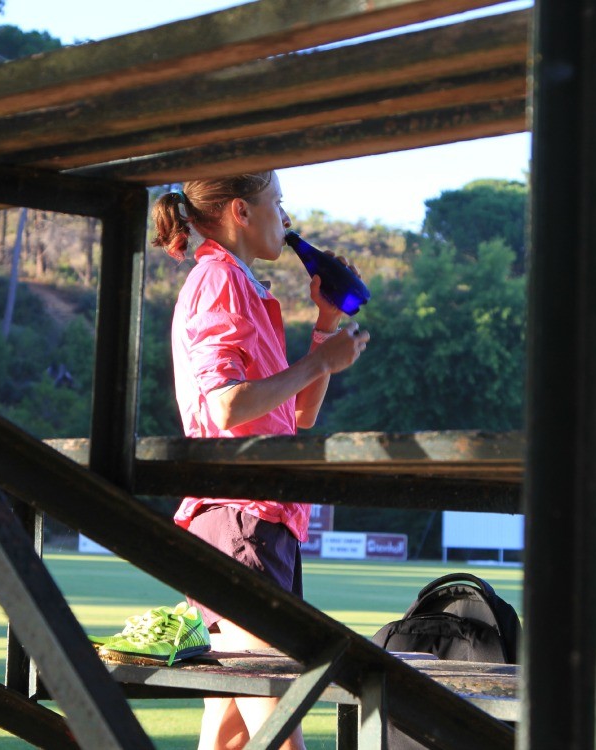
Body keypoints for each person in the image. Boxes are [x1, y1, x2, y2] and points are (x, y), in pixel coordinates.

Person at [151, 171, 369, 750]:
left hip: (258, 522)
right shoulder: (218, 281)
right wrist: (321, 364)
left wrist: (325, 329)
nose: (287, 217)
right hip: (239, 522)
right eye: (278, 202)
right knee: (279, 724)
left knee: (230, 737)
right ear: (241, 212)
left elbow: (295, 416)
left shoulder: (247, 288)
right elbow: (227, 406)